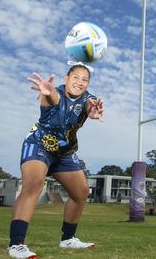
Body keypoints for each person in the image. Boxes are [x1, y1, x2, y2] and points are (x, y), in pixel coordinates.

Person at [7, 62, 104, 259]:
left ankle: (68, 239)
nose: (80, 82)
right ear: (66, 79)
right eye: (76, 77)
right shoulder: (54, 92)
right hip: (39, 145)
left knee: (81, 192)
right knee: (33, 184)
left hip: (64, 153)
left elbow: (89, 105)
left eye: (85, 79)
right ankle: (16, 245)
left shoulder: (88, 98)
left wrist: (92, 111)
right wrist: (46, 92)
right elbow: (53, 98)